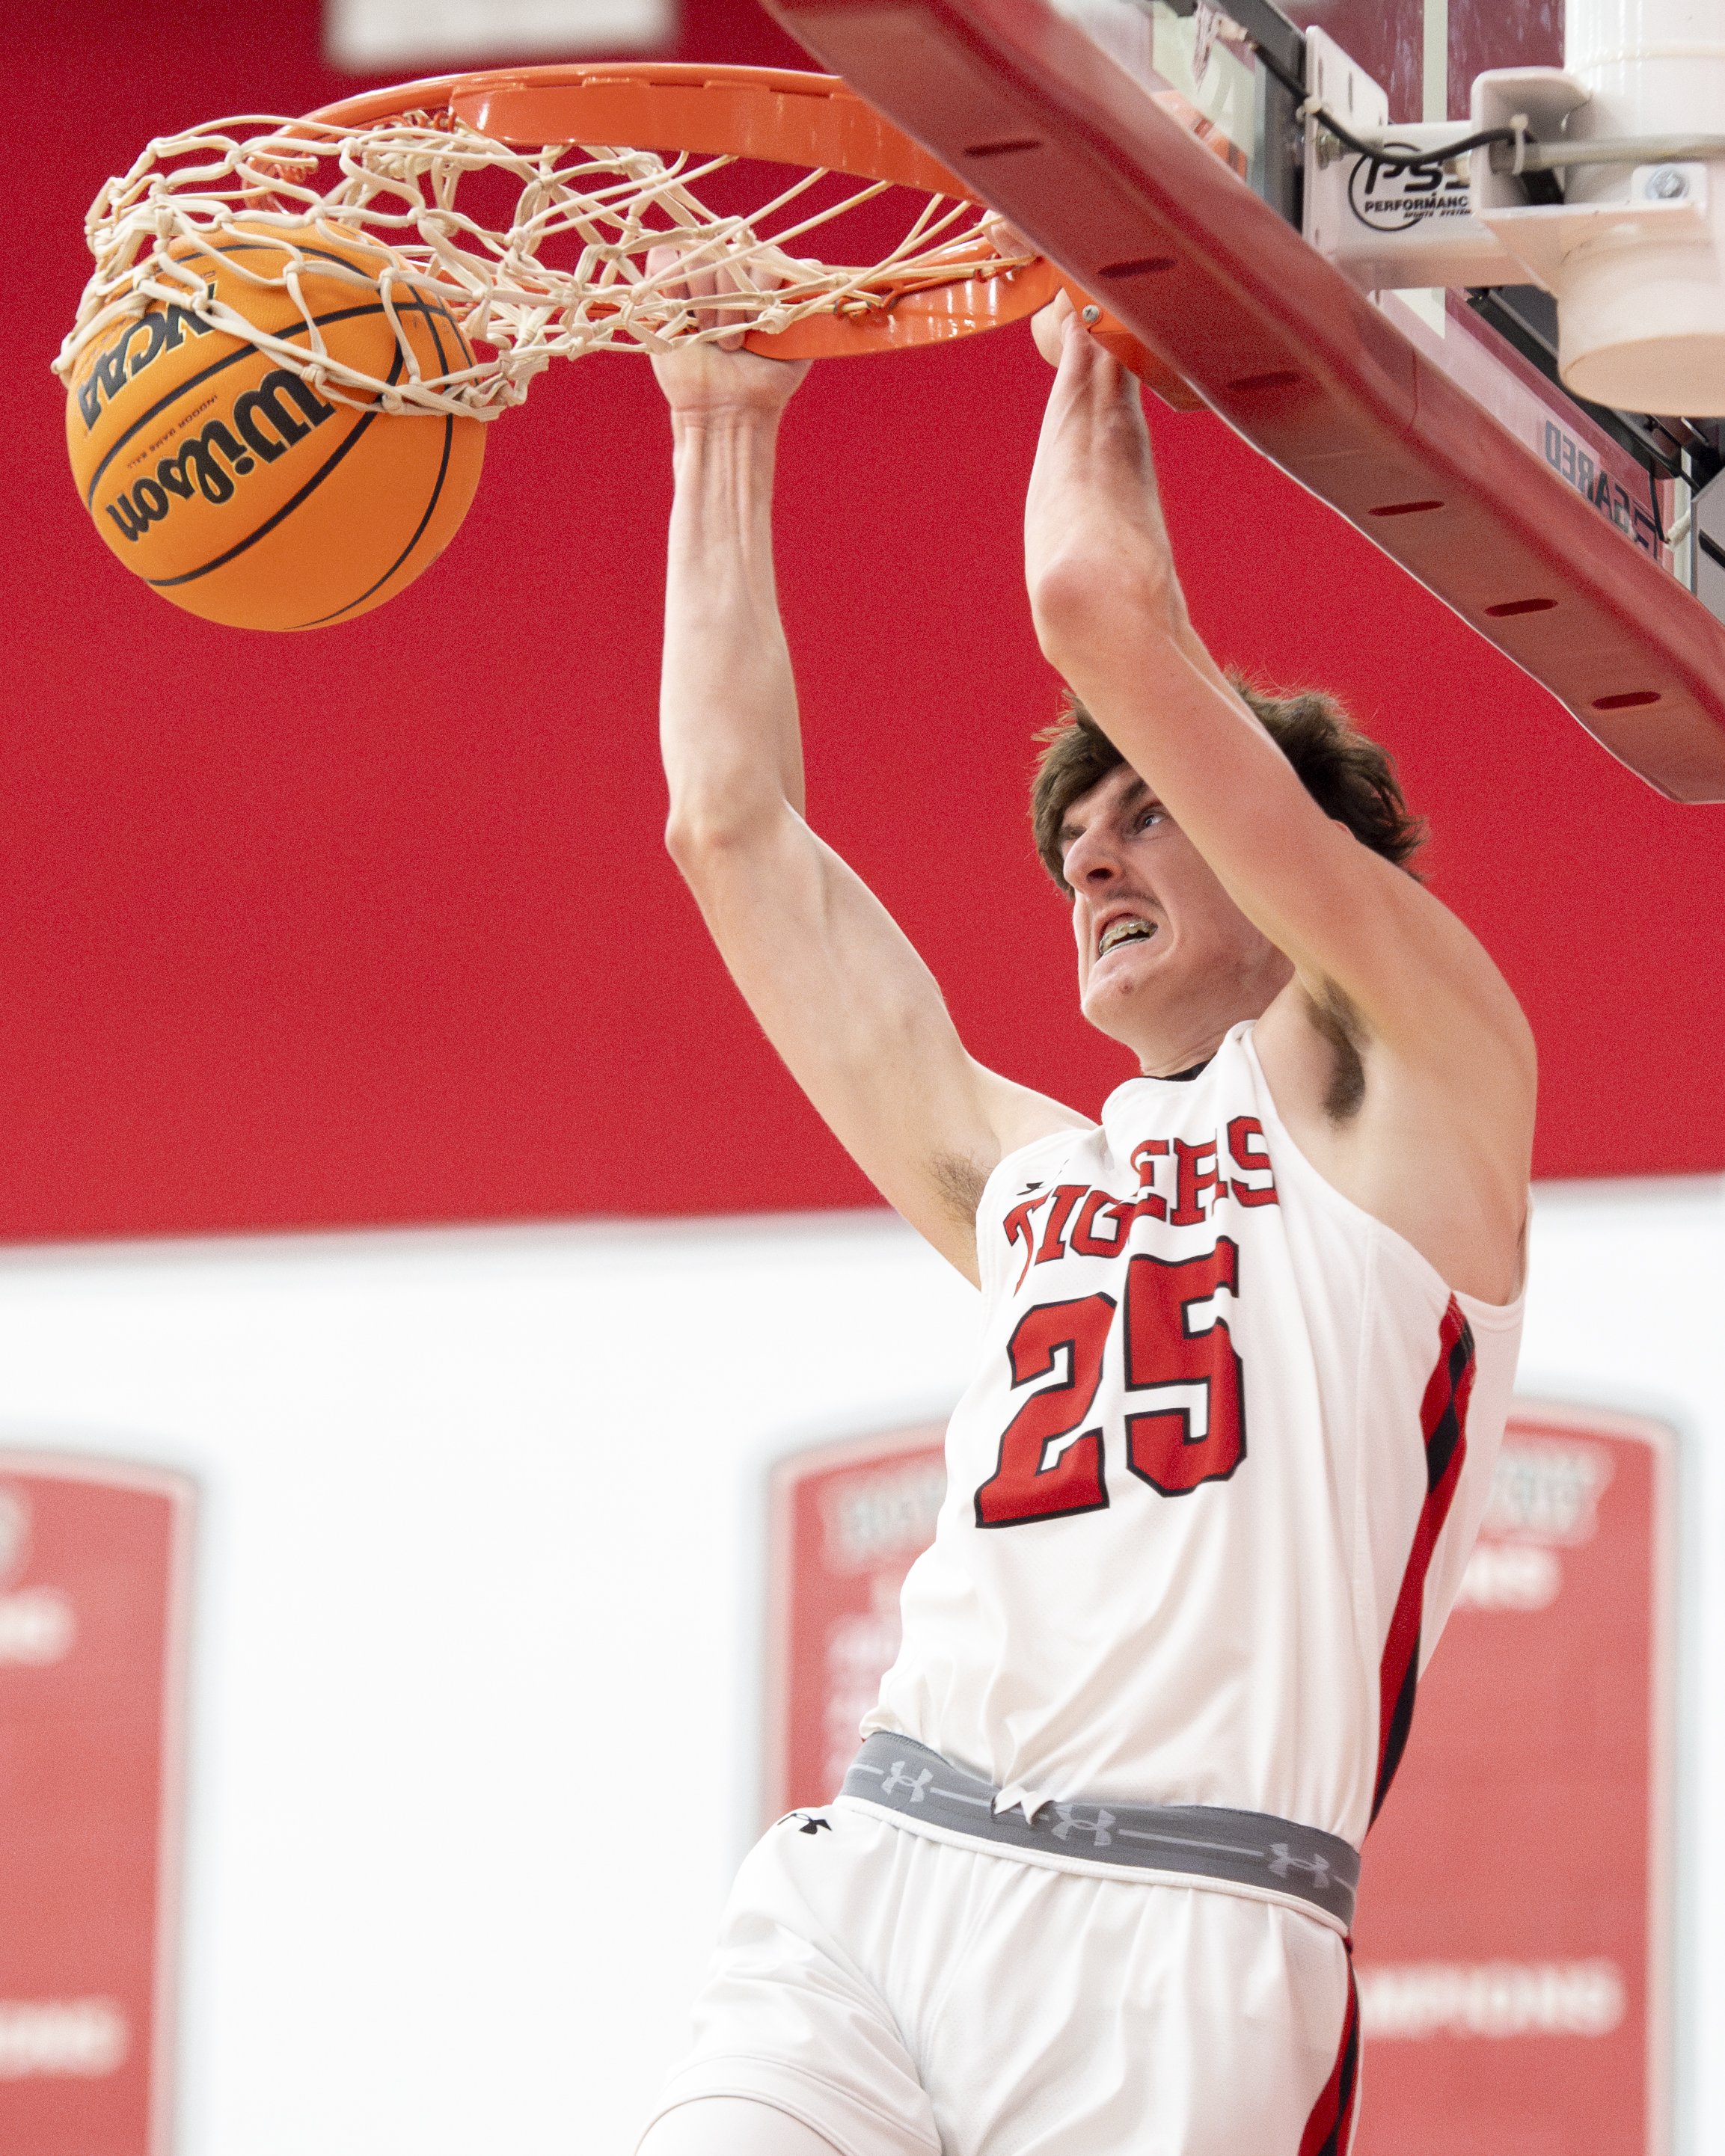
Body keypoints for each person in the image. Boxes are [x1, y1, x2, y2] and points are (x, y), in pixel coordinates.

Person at [635, 268, 1534, 2156]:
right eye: (1074, 838)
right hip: (886, 1871)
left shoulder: (1416, 1075)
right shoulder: (1039, 1179)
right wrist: (720, 417)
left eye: (1146, 809)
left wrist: (1104, 319)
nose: (1089, 854)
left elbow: (1096, 602)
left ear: (1302, 856)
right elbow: (730, 827)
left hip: (1186, 1940)